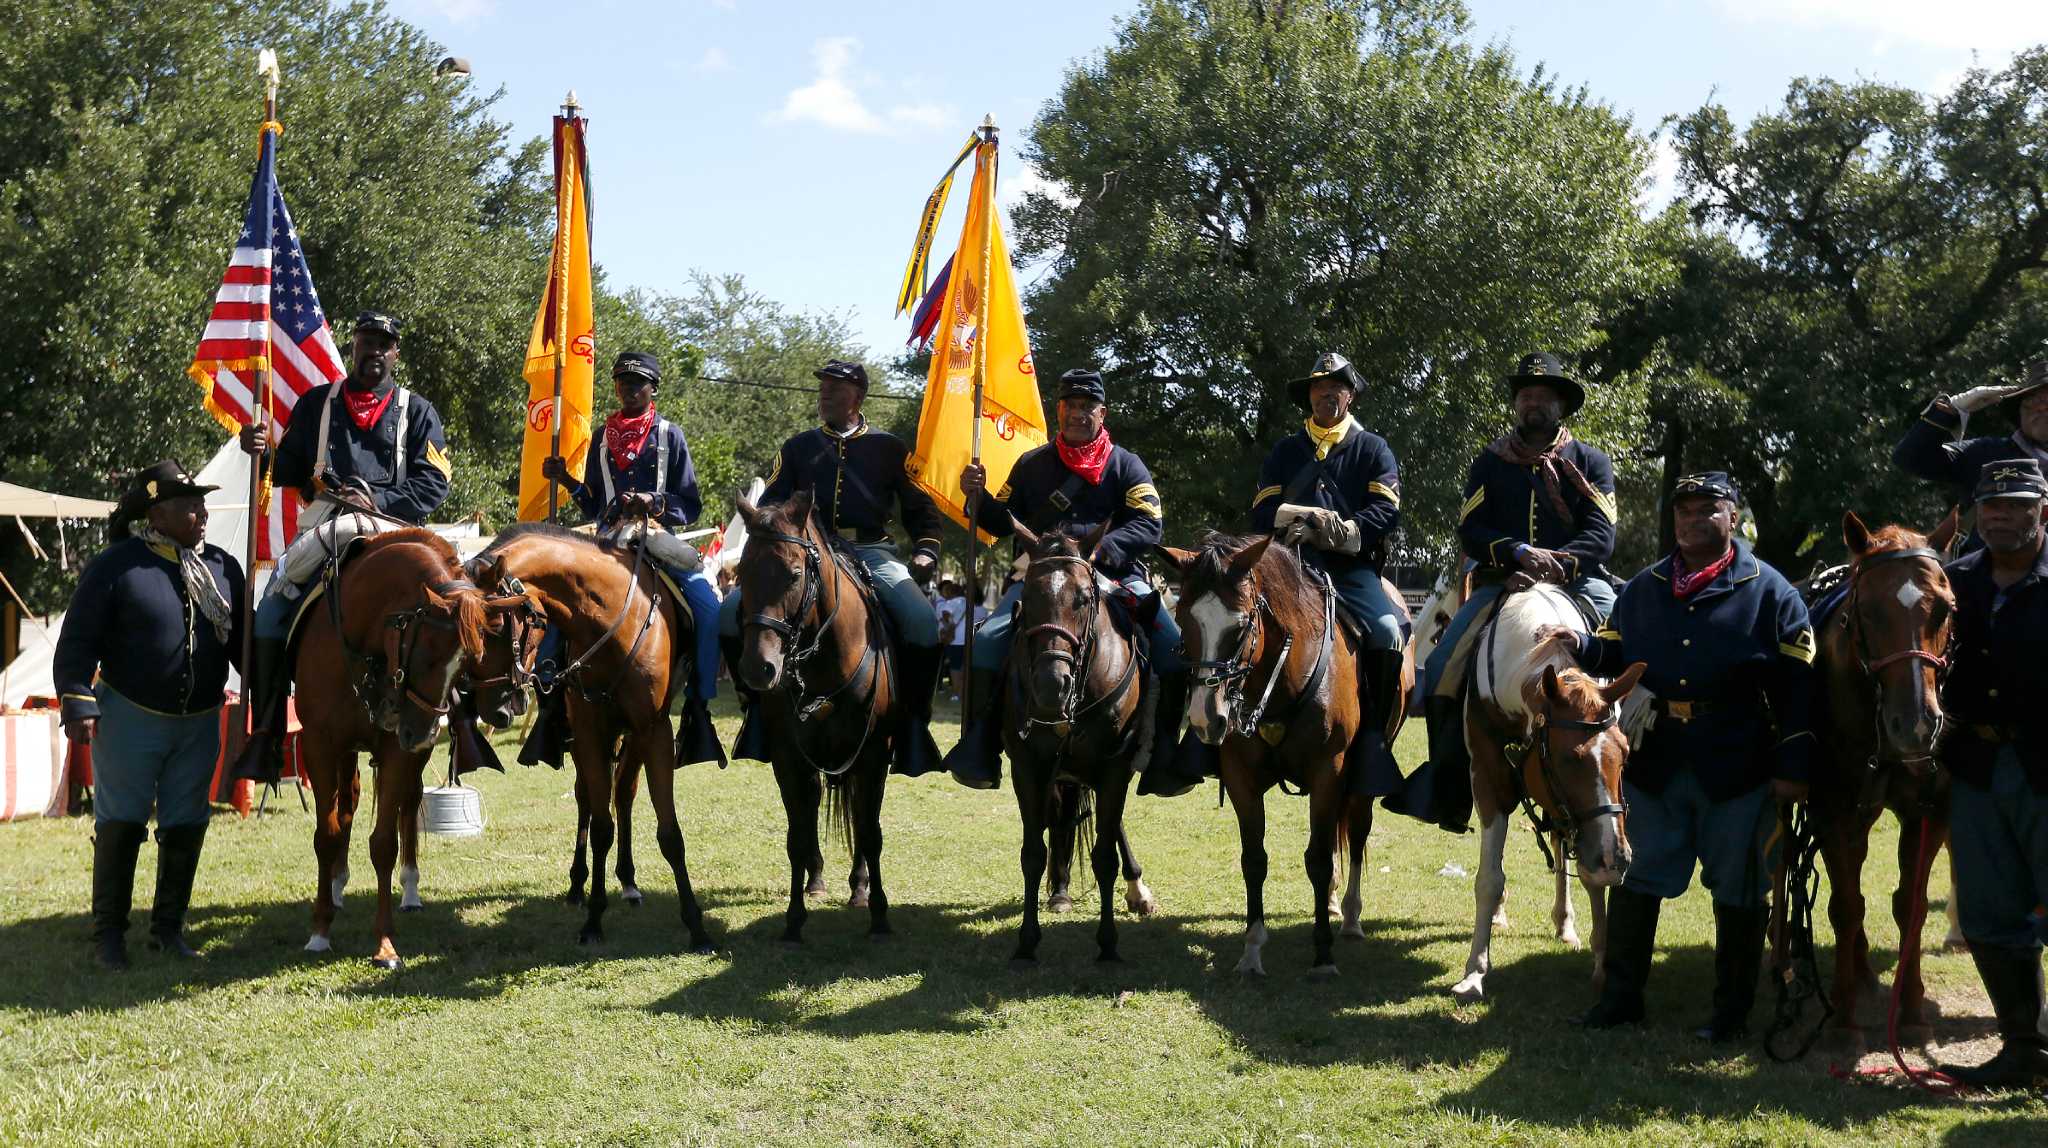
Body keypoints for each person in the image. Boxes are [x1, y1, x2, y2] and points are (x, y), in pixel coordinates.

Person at [1547, 471, 1815, 1038]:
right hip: (1657, 759)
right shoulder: (1643, 587)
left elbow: (1799, 689)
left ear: (1733, 517)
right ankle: (1620, 1001)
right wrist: (1579, 644)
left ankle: (1730, 1013)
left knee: (1739, 890)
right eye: (1683, 511)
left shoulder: (1771, 591)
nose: (1692, 519)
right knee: (1636, 880)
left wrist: (1793, 765)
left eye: (1707, 509)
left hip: (1737, 763)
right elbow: (1615, 648)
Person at [1386, 351, 1618, 833]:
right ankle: (1446, 787)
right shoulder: (1490, 461)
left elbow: (1602, 534)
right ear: (1517, 404)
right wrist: (1516, 553)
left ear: (1560, 406)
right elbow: (1472, 529)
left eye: (1544, 396)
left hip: (1578, 579)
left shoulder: (1591, 461)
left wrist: (1557, 563)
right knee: (1445, 668)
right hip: (1501, 581)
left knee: (1630, 641)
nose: (1533, 403)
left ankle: (1629, 775)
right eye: (1526, 395)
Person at [1161, 351, 1405, 795]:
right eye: (1317, 387)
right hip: (1287, 571)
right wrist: (1298, 513)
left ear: (1349, 396)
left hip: (1349, 570)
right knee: (1218, 625)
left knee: (1387, 632)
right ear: (1309, 396)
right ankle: (1201, 745)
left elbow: (1386, 509)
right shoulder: (1286, 450)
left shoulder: (1373, 449)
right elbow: (1262, 509)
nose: (1325, 393)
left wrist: (1349, 531)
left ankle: (1372, 743)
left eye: (1335, 386)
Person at [231, 310, 452, 781]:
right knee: (271, 608)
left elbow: (435, 482)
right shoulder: (316, 404)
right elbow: (288, 468)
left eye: (384, 343)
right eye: (365, 341)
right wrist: (262, 452)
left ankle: (465, 722)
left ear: (396, 352)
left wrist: (377, 496)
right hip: (326, 525)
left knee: (462, 601)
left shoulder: (419, 410)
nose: (374, 350)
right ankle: (266, 732)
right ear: (352, 346)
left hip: (393, 528)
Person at [947, 368, 1187, 793]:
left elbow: (1149, 525)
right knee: (985, 643)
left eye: (1086, 407)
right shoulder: (1031, 464)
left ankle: (1166, 752)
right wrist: (976, 496)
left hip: (1114, 576)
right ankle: (980, 744)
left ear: (1102, 413)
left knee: (1172, 646)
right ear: (1059, 410)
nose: (1077, 414)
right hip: (1041, 579)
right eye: (1070, 406)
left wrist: (1101, 550)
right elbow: (1000, 522)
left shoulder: (1127, 465)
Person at [54, 462, 247, 969]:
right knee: (120, 823)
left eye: (201, 503)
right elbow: (77, 642)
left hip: (201, 720)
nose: (201, 513)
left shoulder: (225, 569)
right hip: (129, 718)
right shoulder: (115, 566)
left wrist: (266, 694)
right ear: (157, 513)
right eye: (188, 504)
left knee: (186, 825)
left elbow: (244, 648)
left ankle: (168, 930)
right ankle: (109, 937)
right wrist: (77, 699)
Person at [716, 359, 946, 775]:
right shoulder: (797, 448)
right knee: (728, 615)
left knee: (921, 623)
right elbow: (770, 503)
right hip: (804, 554)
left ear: (858, 397)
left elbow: (921, 512)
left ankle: (914, 725)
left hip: (871, 550)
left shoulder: (891, 448)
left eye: (835, 389)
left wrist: (926, 550)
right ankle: (755, 711)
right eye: (822, 387)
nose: (825, 394)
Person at [539, 351, 724, 765]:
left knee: (709, 609)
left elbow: (689, 504)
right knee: (558, 606)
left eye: (637, 382)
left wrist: (653, 501)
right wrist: (566, 480)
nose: (628, 388)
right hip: (606, 541)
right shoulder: (602, 436)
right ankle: (550, 697)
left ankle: (699, 707)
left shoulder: (670, 435)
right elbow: (593, 503)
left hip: (656, 540)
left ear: (653, 388)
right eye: (622, 381)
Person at [1933, 459, 2048, 1089]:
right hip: (1976, 767)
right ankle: (2024, 1049)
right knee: (1988, 913)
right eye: (1991, 508)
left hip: (2045, 766)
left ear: (2044, 512)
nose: (2001, 518)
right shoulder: (1954, 583)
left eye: (2017, 506)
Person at [1892, 353, 2048, 549]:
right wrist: (1948, 411)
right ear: (2019, 414)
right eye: (2033, 405)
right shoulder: (1984, 453)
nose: (2042, 410)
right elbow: (1910, 459)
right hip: (1979, 576)